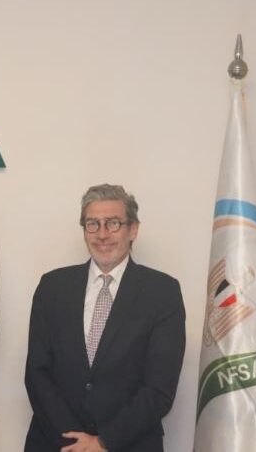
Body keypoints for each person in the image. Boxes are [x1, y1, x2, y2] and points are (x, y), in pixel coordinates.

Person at [24, 184, 185, 452]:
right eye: (93, 224)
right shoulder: (52, 287)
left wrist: (102, 442)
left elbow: (159, 388)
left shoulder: (162, 292)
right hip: (56, 444)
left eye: (113, 223)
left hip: (130, 444)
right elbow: (37, 373)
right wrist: (76, 444)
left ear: (133, 229)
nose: (102, 234)